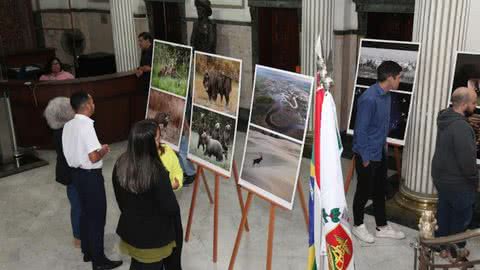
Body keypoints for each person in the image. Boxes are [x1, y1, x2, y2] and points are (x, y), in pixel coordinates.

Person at [62, 91, 122, 270]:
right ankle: (99, 260)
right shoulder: (86, 126)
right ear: (87, 105)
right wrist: (104, 150)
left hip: (75, 175)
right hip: (90, 177)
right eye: (92, 101)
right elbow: (94, 157)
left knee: (85, 214)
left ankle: (87, 251)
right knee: (97, 217)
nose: (94, 104)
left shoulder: (68, 125)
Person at [112, 120, 183, 270]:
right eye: (157, 139)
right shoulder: (157, 172)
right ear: (148, 144)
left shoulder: (120, 163)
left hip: (131, 231)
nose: (160, 141)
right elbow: (171, 208)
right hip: (153, 239)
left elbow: (120, 200)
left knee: (137, 263)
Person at [351, 60, 406, 243]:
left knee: (380, 189)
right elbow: (360, 131)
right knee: (363, 191)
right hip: (366, 154)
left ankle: (381, 226)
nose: (400, 80)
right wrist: (365, 158)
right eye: (398, 77)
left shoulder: (387, 95)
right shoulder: (369, 98)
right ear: (390, 78)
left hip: (380, 151)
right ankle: (358, 225)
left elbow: (380, 126)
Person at [431, 87, 479, 259]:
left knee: (444, 212)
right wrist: (476, 181)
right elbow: (467, 163)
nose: (475, 106)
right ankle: (455, 249)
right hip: (458, 181)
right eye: (473, 103)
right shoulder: (461, 127)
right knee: (461, 217)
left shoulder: (445, 117)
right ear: (464, 104)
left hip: (441, 177)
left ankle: (440, 247)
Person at [44, 97, 81, 248]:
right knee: (78, 206)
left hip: (67, 173)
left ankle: (78, 236)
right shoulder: (67, 132)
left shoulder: (58, 130)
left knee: (76, 204)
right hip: (74, 173)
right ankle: (78, 236)